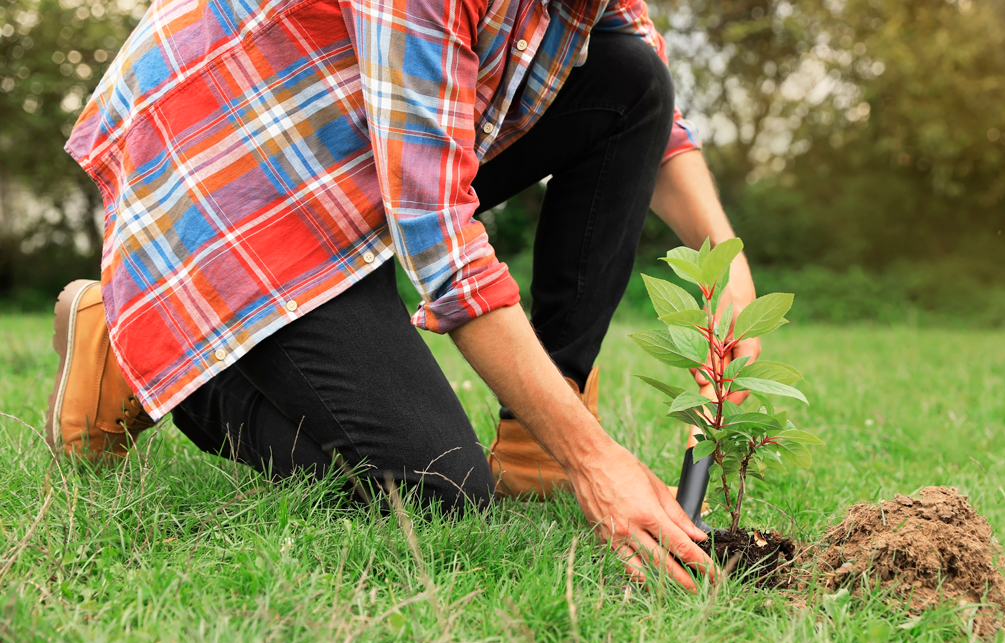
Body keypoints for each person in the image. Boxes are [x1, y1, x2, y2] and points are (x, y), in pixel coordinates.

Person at [47, 0, 760, 590]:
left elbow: (645, 104)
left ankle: (535, 441)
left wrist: (726, 264)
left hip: (347, 151)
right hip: (230, 168)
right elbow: (442, 248)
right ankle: (144, 355)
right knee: (439, 490)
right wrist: (599, 462)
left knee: (628, 77)